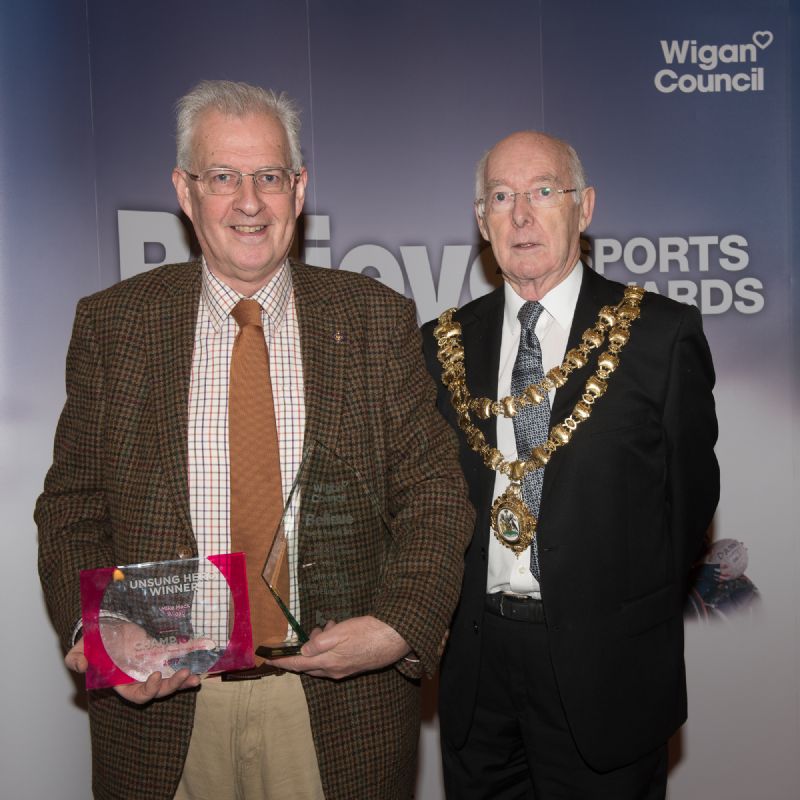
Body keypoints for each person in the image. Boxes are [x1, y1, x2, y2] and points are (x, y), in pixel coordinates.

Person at [36, 79, 473, 800]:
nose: (248, 202)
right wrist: (103, 637)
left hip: (338, 712)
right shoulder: (115, 326)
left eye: (269, 176)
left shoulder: (373, 319)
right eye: (222, 177)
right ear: (184, 189)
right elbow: (72, 508)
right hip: (167, 713)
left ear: (298, 190)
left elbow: (433, 492)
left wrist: (401, 624)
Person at [422, 131, 719, 799]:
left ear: (583, 207)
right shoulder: (441, 345)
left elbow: (688, 508)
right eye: (501, 197)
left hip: (608, 671)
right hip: (478, 670)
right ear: (481, 221)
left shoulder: (659, 336)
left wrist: (612, 614)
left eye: (542, 192)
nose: (521, 215)